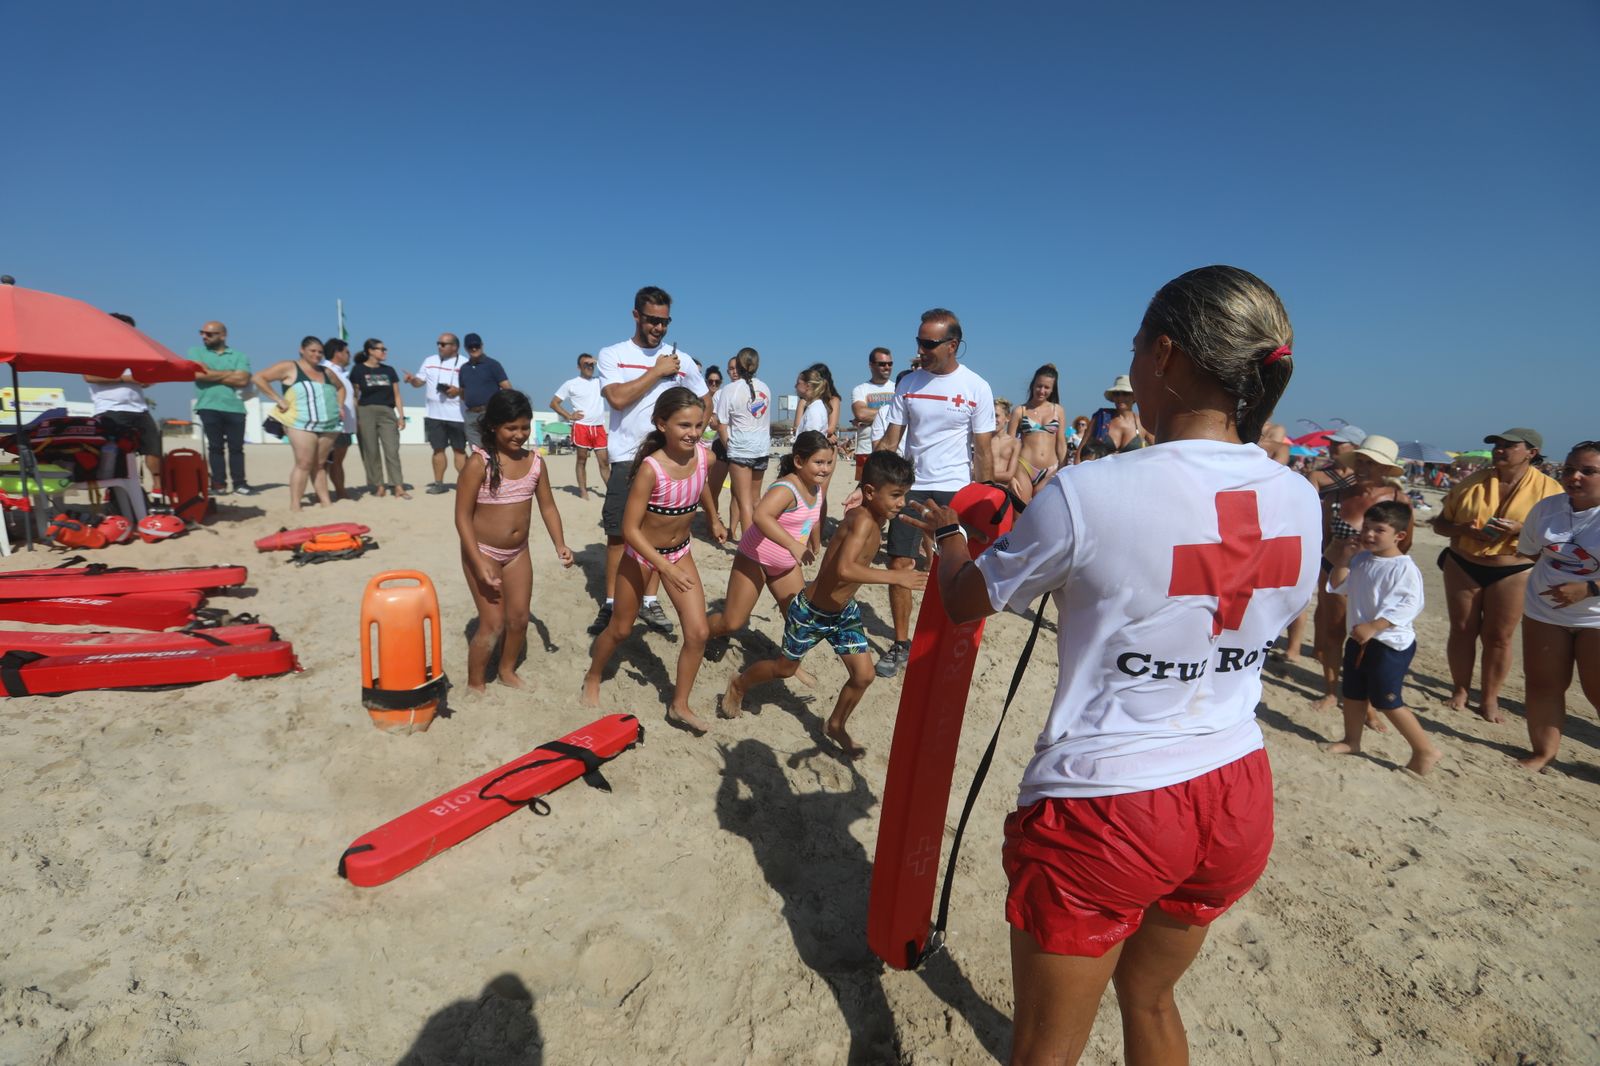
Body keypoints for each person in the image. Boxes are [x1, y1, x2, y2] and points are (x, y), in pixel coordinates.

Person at [906, 265, 1318, 1066]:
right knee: (1152, 998)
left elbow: (965, 602)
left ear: (1164, 354)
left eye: (1135, 344)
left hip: (1110, 801)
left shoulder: (1088, 492)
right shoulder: (1298, 497)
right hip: (1235, 788)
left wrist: (950, 536)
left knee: (1045, 1050)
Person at [724, 450, 922, 759]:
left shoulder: (877, 516)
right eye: (896, 495)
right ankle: (740, 684)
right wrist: (895, 577)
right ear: (870, 492)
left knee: (864, 676)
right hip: (812, 614)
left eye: (904, 495)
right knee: (784, 669)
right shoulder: (862, 520)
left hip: (844, 614)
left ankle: (835, 724)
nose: (901, 502)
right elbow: (844, 569)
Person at [582, 387, 726, 733]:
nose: (693, 432)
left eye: (697, 425)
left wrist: (714, 517)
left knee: (698, 632)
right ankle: (593, 674)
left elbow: (702, 482)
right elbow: (629, 530)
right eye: (683, 425)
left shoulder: (703, 457)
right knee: (620, 628)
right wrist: (662, 569)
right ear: (661, 424)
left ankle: (679, 705)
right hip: (643, 557)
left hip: (680, 553)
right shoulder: (651, 468)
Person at [873, 309, 996, 678]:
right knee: (900, 564)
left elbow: (984, 451)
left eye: (929, 343)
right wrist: (872, 483)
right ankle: (900, 643)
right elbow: (891, 442)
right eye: (919, 342)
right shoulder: (908, 383)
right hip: (913, 486)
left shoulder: (977, 387)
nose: (921, 349)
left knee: (957, 567)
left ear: (952, 345)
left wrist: (985, 503)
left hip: (956, 491)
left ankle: (948, 643)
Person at [590, 285, 710, 637]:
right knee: (617, 534)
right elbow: (616, 398)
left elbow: (703, 397)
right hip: (628, 457)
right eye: (652, 320)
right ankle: (612, 602)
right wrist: (657, 372)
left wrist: (697, 432)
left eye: (665, 321)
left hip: (669, 460)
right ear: (636, 316)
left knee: (660, 535)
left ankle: (649, 600)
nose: (658, 328)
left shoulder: (681, 359)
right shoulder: (613, 354)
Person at [1431, 428, 1563, 722]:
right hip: (1463, 562)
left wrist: (1521, 530)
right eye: (1497, 445)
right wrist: (1463, 530)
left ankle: (1490, 698)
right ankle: (1460, 690)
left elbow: (1561, 538)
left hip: (1513, 567)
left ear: (1531, 453)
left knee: (1499, 637)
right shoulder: (1471, 482)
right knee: (1462, 630)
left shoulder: (1550, 490)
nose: (1499, 450)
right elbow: (1440, 524)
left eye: (1508, 446)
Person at [455, 390, 573, 692]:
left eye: (524, 426)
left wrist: (560, 543)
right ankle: (476, 683)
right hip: (483, 552)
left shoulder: (535, 463)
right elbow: (462, 518)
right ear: (494, 426)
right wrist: (478, 560)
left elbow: (547, 506)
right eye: (511, 428)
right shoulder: (478, 463)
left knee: (519, 619)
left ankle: (507, 670)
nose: (519, 434)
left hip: (518, 554)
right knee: (493, 624)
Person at [1323, 500, 1440, 774]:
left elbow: (1410, 605)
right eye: (1366, 527)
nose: (1369, 534)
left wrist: (1375, 626)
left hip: (1390, 643)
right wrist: (1344, 558)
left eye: (1379, 530)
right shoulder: (1362, 559)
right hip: (1359, 639)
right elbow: (1339, 586)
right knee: (1353, 693)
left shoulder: (1404, 568)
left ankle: (1425, 750)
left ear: (1399, 535)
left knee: (1387, 700)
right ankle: (1352, 741)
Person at [1309, 435, 1410, 718]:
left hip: (1376, 577)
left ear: (1386, 469)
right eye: (1361, 461)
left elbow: (1405, 544)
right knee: (1333, 631)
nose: (1364, 467)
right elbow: (1323, 539)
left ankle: (1364, 704)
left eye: (1372, 463)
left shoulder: (1398, 500)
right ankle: (1331, 691)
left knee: (1370, 639)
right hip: (1335, 571)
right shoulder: (1335, 497)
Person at [706, 430, 830, 660]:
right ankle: (701, 634)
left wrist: (815, 540)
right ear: (799, 461)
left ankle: (786, 664)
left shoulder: (816, 487)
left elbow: (811, 517)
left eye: (829, 462)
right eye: (819, 462)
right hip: (756, 558)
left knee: (800, 620)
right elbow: (761, 516)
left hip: (786, 564)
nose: (825, 468)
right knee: (732, 622)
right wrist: (793, 545)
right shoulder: (786, 488)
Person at [1514, 441, 1600, 770]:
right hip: (1544, 611)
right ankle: (1543, 753)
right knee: (1543, 683)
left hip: (1595, 618)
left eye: (1588, 471)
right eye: (1568, 469)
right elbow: (1533, 552)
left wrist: (1589, 587)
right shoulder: (1546, 509)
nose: (1574, 476)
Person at [251, 337, 345, 511]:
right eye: (312, 351)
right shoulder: (289, 367)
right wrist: (278, 399)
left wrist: (339, 405)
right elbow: (259, 378)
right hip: (299, 422)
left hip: (328, 424)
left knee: (320, 464)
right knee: (303, 463)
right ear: (302, 350)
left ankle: (325, 501)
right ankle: (295, 505)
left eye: (320, 352)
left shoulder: (327, 372)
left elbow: (340, 388)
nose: (317, 355)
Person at [85, 312, 162, 494]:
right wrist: (126, 379)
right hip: (110, 409)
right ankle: (112, 492)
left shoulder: (136, 353)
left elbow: (146, 379)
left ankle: (159, 489)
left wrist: (146, 380)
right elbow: (89, 376)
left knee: (152, 448)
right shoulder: (96, 350)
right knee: (115, 453)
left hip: (139, 408)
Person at [189, 320, 255, 495]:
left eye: (209, 334)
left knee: (237, 448)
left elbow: (243, 380)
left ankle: (240, 483)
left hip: (235, 407)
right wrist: (230, 373)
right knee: (215, 447)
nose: (204, 336)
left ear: (223, 335)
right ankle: (219, 484)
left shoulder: (240, 355)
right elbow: (196, 374)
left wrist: (210, 373)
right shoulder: (195, 352)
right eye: (201, 332)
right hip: (208, 406)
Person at [715, 348, 772, 545]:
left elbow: (721, 423)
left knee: (744, 501)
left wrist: (728, 445)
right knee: (755, 500)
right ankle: (758, 541)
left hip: (740, 448)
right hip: (762, 449)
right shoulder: (765, 387)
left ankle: (749, 547)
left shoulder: (730, 390)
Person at [405, 333, 467, 494]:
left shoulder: (464, 363)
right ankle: (439, 484)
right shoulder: (429, 360)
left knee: (459, 450)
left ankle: (467, 484)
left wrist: (458, 391)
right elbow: (419, 382)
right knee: (438, 450)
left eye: (444, 344)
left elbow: (470, 389)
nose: (439, 346)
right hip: (434, 414)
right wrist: (412, 380)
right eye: (438, 343)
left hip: (458, 415)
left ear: (455, 347)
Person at [350, 338, 408, 498]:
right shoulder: (358, 370)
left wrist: (401, 416)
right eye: (381, 349)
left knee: (392, 450)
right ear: (370, 351)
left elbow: (397, 395)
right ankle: (379, 485)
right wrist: (356, 418)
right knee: (370, 450)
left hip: (387, 412)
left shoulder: (389, 370)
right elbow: (355, 396)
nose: (385, 352)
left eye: (385, 349)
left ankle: (398, 486)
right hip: (365, 411)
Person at [550, 353, 609, 501]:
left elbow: (611, 368)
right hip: (582, 426)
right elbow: (554, 403)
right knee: (582, 460)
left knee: (604, 461)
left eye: (591, 364)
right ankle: (583, 492)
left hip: (599, 427)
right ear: (579, 367)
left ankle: (611, 492)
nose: (589, 367)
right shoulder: (571, 383)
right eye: (585, 364)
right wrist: (569, 415)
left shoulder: (600, 381)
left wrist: (597, 361)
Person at [1007, 363, 1069, 491]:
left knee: (1043, 511)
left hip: (1051, 470)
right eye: (1039, 386)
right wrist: (1010, 476)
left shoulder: (1058, 411)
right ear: (1032, 385)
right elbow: (1008, 445)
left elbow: (1061, 444)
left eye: (1047, 387)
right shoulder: (1020, 411)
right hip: (1023, 467)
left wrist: (1064, 471)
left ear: (1053, 389)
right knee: (1021, 510)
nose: (1042, 391)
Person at [458, 333, 512, 450]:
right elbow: (462, 392)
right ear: (466, 348)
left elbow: (507, 388)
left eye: (476, 345)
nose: (474, 348)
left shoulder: (493, 365)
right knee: (477, 453)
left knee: (493, 448)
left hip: (489, 413)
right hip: (471, 415)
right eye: (470, 346)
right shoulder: (464, 369)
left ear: (482, 345)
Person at [850, 348, 896, 480]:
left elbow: (905, 414)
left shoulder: (898, 387)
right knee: (866, 491)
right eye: (882, 364)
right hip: (866, 449)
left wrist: (871, 417)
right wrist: (893, 412)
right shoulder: (860, 389)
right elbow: (861, 414)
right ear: (871, 365)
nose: (887, 367)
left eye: (890, 363)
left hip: (894, 448)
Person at [321, 339, 358, 501]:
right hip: (333, 424)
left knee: (335, 461)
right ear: (338, 353)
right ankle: (337, 493)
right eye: (347, 352)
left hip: (345, 426)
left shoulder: (341, 372)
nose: (349, 355)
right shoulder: (326, 370)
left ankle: (339, 492)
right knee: (327, 462)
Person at [1087, 374, 1153, 453]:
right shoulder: (1101, 418)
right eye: (1116, 393)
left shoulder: (1144, 423)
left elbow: (1159, 451)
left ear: (1134, 396)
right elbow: (1080, 453)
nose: (1120, 398)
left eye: (1125, 393)